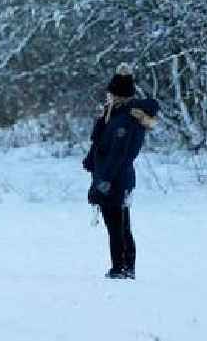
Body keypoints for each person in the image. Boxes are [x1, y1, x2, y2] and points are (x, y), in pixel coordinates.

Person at [83, 63, 159, 279]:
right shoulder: (113, 115)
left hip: (116, 179)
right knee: (117, 223)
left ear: (118, 95)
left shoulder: (125, 121)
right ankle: (122, 266)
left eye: (111, 94)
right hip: (111, 177)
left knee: (118, 225)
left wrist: (103, 181)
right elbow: (102, 144)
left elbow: (119, 155)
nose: (108, 97)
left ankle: (123, 267)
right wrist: (91, 160)